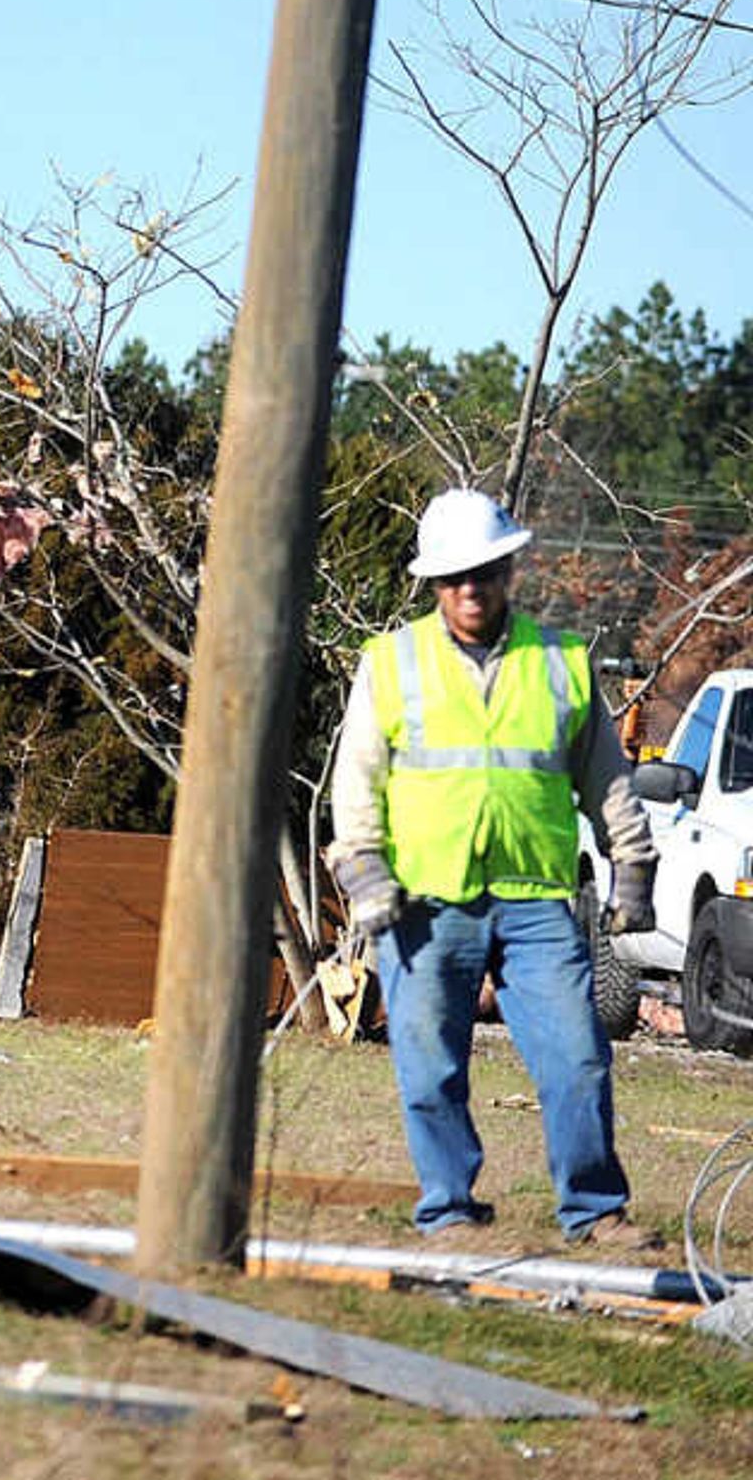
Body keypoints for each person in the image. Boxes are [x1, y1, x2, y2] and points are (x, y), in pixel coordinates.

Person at [327, 488, 658, 1250]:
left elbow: (606, 777)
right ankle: (449, 1208)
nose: (469, 589)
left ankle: (595, 1208)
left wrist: (631, 865)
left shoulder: (561, 663)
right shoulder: (392, 662)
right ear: (434, 585)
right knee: (428, 1064)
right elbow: (357, 781)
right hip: (423, 899)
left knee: (577, 1057)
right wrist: (364, 872)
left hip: (536, 898)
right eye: (453, 578)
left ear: (508, 568)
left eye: (482, 572)